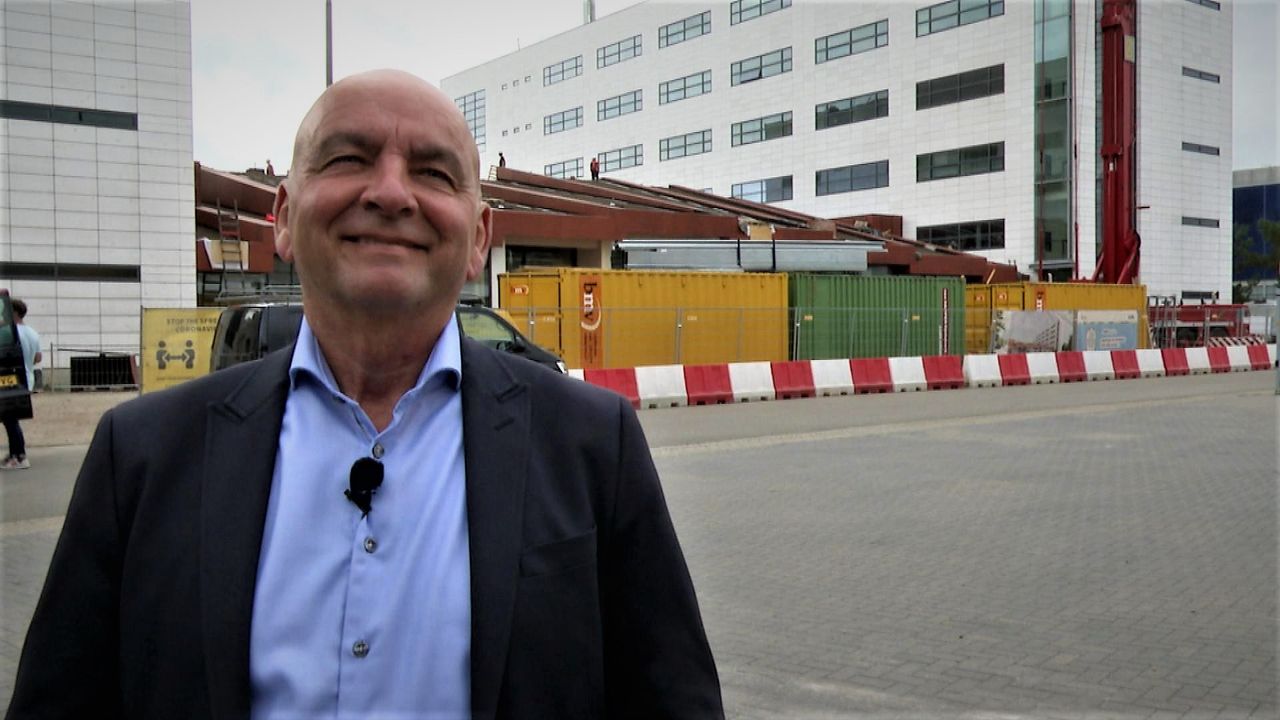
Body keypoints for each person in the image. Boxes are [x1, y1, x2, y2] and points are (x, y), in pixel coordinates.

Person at [8, 69, 723, 719]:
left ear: (479, 238)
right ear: (283, 216)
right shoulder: (140, 457)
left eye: (433, 172)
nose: (389, 192)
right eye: (348, 159)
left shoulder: (594, 444)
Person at [2, 299, 41, 471]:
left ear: (15, 313)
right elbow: (38, 357)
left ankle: (19, 456)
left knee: (10, 418)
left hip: (10, 378)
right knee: (11, 417)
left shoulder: (9, 332)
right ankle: (15, 454)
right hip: (27, 378)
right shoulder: (32, 333)